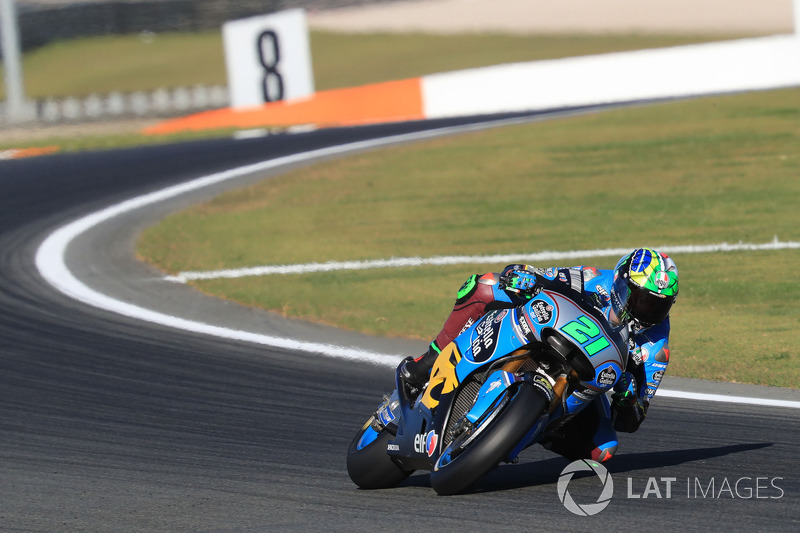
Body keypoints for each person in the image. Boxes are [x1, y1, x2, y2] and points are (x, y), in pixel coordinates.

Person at [398, 248, 678, 462]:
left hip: (584, 380)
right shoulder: (595, 279)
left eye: (657, 307)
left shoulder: (656, 346)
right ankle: (425, 366)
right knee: (484, 285)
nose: (646, 311)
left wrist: (629, 399)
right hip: (549, 335)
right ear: (621, 283)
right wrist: (522, 275)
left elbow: (631, 422)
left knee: (603, 448)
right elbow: (544, 276)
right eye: (641, 299)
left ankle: (527, 430)